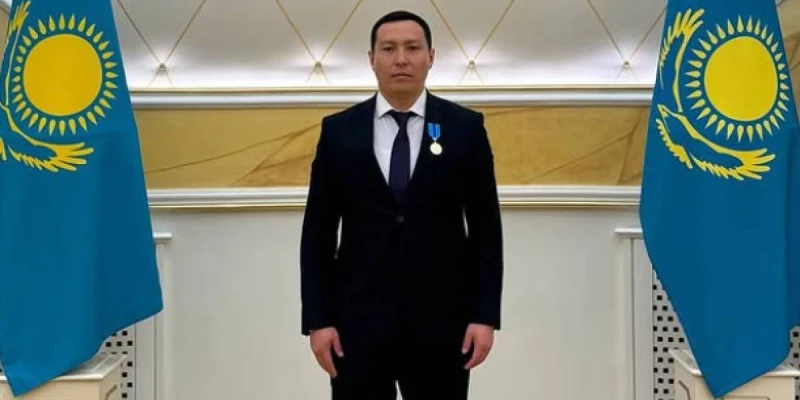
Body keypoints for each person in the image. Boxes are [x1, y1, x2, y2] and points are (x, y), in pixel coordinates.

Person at [300, 9, 504, 399]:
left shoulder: (465, 128)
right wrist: (318, 320)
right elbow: (318, 234)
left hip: (442, 325)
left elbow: (486, 231)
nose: (401, 59)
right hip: (356, 327)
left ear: (431, 56)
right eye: (389, 48)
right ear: (371, 58)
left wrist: (484, 316)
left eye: (412, 48)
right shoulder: (339, 131)